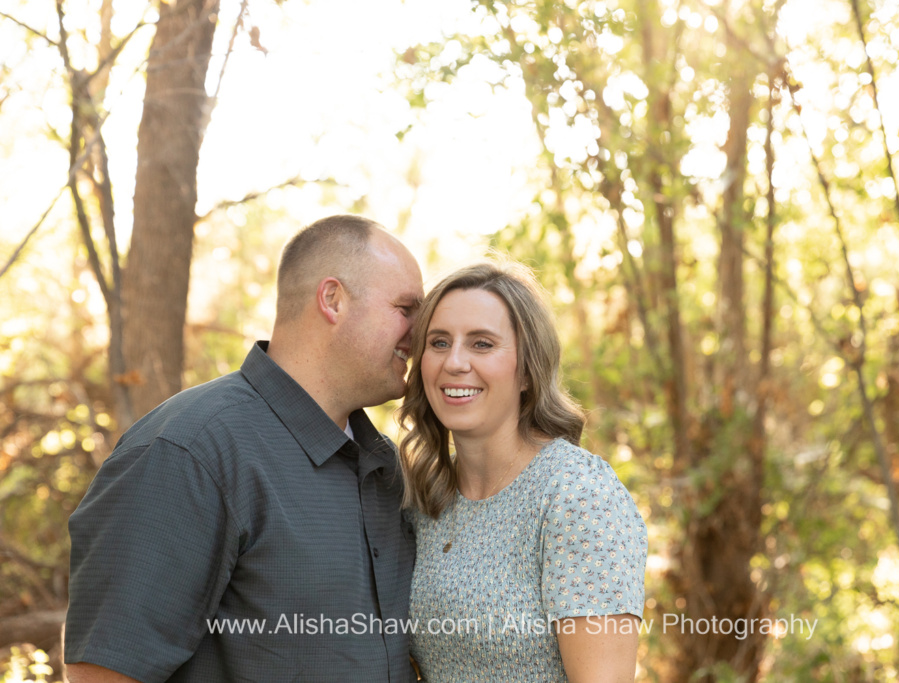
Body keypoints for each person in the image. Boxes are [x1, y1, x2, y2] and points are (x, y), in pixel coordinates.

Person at [64, 215, 424, 682]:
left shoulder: (386, 469)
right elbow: (103, 674)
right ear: (332, 299)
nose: (421, 332)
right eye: (406, 308)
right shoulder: (190, 453)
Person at [398, 260, 647, 682]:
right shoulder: (426, 496)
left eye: (481, 344)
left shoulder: (577, 494)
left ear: (528, 370)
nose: (454, 362)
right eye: (439, 342)